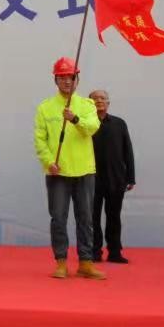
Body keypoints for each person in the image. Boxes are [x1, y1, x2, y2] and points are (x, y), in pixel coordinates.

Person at [34, 57, 103, 280]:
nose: (66, 81)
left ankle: (86, 262)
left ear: (77, 80)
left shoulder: (87, 105)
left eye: (71, 77)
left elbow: (92, 128)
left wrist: (75, 119)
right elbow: (40, 140)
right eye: (62, 77)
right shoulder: (45, 107)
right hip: (58, 172)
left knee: (86, 218)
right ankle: (61, 262)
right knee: (58, 218)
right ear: (55, 80)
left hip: (84, 170)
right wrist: (48, 162)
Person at [90, 89, 135, 264]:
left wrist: (130, 177)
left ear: (108, 102)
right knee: (92, 218)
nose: (99, 101)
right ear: (89, 103)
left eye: (103, 98)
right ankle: (94, 252)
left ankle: (115, 252)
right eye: (95, 98)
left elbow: (127, 150)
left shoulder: (119, 123)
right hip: (90, 179)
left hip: (116, 178)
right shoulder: (84, 124)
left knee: (114, 217)